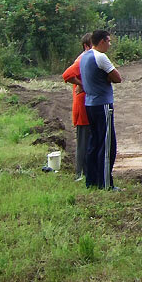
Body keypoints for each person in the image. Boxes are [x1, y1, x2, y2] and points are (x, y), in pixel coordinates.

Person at [81, 29, 123, 190]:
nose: (110, 44)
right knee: (107, 145)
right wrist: (107, 78)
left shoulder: (84, 56)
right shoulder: (101, 57)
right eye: (109, 41)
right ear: (102, 41)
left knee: (94, 143)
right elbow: (117, 78)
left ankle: (91, 180)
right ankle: (105, 183)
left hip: (89, 104)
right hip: (103, 104)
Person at [62, 32, 93, 181]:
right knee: (83, 141)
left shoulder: (90, 58)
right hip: (82, 106)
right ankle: (80, 174)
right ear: (86, 46)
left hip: (88, 104)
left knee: (88, 140)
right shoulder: (82, 59)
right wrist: (84, 85)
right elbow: (67, 75)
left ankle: (87, 172)